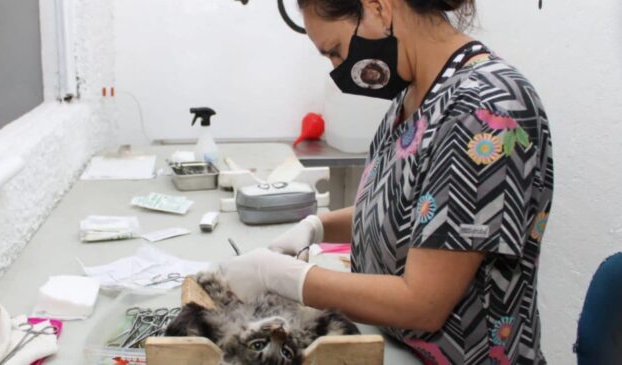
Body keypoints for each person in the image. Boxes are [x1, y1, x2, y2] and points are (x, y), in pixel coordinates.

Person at [220, 0, 553, 364]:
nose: (337, 68)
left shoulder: (483, 110)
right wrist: (315, 227)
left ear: (378, 7)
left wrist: (282, 276)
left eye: (336, 50)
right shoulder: (412, 97)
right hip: (396, 346)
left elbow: (422, 303)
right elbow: (409, 208)